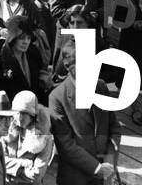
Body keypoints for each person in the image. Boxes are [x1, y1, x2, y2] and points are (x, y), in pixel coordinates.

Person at [48, 41, 119, 185]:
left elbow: (114, 128)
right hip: (75, 177)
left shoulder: (101, 86)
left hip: (104, 176)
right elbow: (65, 145)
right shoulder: (57, 97)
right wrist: (96, 167)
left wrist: (109, 161)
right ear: (69, 67)